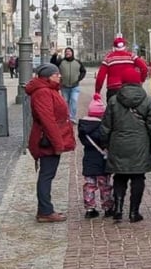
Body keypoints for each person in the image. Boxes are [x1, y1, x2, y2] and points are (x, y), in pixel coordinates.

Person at [100, 79, 151, 223]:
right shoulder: (147, 100)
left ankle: (118, 209)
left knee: (120, 176)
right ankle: (134, 213)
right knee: (138, 177)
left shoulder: (114, 100)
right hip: (140, 144)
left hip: (118, 143)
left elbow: (105, 125)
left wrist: (105, 143)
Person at [27, 63, 76, 223]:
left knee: (48, 174)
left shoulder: (49, 90)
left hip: (49, 138)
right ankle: (45, 211)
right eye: (56, 74)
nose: (59, 76)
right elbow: (47, 120)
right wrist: (58, 144)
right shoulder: (43, 93)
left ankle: (46, 209)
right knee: (46, 175)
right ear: (48, 76)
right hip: (46, 140)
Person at [77, 94, 114, 219]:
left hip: (88, 161)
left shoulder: (83, 127)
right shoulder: (102, 128)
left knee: (89, 185)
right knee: (105, 186)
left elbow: (83, 141)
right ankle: (107, 207)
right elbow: (106, 142)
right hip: (102, 161)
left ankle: (90, 208)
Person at [94, 36, 149, 101]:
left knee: (112, 108)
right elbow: (144, 68)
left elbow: (100, 76)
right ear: (125, 47)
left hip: (113, 89)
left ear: (114, 47)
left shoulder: (108, 59)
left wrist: (97, 91)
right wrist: (141, 80)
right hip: (130, 88)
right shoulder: (132, 57)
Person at [57, 47, 87, 122]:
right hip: (64, 86)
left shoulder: (77, 62)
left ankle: (72, 117)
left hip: (75, 86)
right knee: (65, 102)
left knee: (73, 100)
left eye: (69, 51)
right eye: (66, 51)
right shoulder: (61, 62)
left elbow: (83, 71)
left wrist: (79, 79)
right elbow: (54, 68)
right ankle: (65, 117)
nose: (67, 53)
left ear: (72, 53)